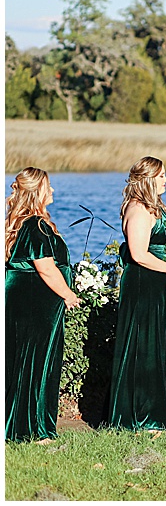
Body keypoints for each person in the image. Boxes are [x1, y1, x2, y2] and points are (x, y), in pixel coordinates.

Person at [107, 157, 166, 431]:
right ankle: (142, 414)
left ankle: (165, 408)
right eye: (162, 176)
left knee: (161, 342)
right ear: (148, 179)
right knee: (145, 344)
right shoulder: (138, 210)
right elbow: (139, 254)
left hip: (160, 282)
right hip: (144, 284)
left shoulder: (153, 207)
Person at [5, 168, 81, 443]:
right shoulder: (36, 225)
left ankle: (19, 423)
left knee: (21, 358)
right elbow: (46, 267)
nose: (53, 191)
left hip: (22, 296)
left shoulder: (21, 223)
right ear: (38, 191)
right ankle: (31, 429)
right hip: (37, 299)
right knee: (37, 360)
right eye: (49, 187)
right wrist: (68, 294)